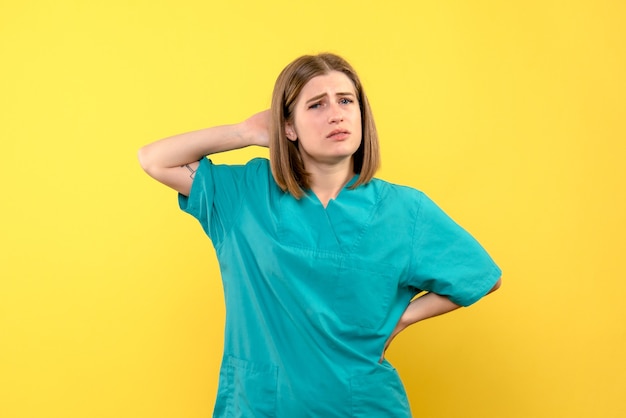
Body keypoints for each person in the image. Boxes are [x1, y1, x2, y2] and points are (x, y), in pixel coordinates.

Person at [138, 53, 502, 417]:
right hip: (262, 404)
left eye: (346, 101)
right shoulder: (245, 195)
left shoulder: (403, 209)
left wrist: (403, 318)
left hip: (362, 406)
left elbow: (482, 276)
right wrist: (245, 132)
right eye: (316, 104)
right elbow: (154, 159)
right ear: (288, 127)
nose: (336, 114)